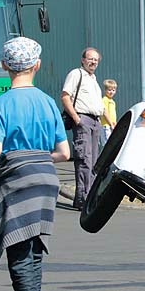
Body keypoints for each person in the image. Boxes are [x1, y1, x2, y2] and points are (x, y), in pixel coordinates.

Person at [0, 37, 70, 291]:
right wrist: (40, 158)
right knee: (32, 252)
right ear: (37, 65)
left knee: (19, 254)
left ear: (5, 65)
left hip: (17, 180)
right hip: (46, 180)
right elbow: (64, 152)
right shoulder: (48, 102)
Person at [61, 47, 103, 210]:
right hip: (83, 119)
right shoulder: (76, 74)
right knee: (84, 159)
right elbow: (65, 96)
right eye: (90, 59)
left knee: (93, 162)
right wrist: (77, 118)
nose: (93, 62)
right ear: (83, 60)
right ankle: (83, 199)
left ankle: (89, 196)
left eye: (96, 60)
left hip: (95, 122)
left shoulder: (93, 78)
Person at [100, 79, 118, 144]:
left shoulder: (113, 102)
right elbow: (105, 112)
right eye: (109, 90)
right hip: (106, 125)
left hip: (111, 125)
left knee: (112, 143)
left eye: (113, 90)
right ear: (105, 90)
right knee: (106, 144)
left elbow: (113, 114)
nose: (111, 92)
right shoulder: (104, 100)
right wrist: (110, 124)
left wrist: (114, 123)